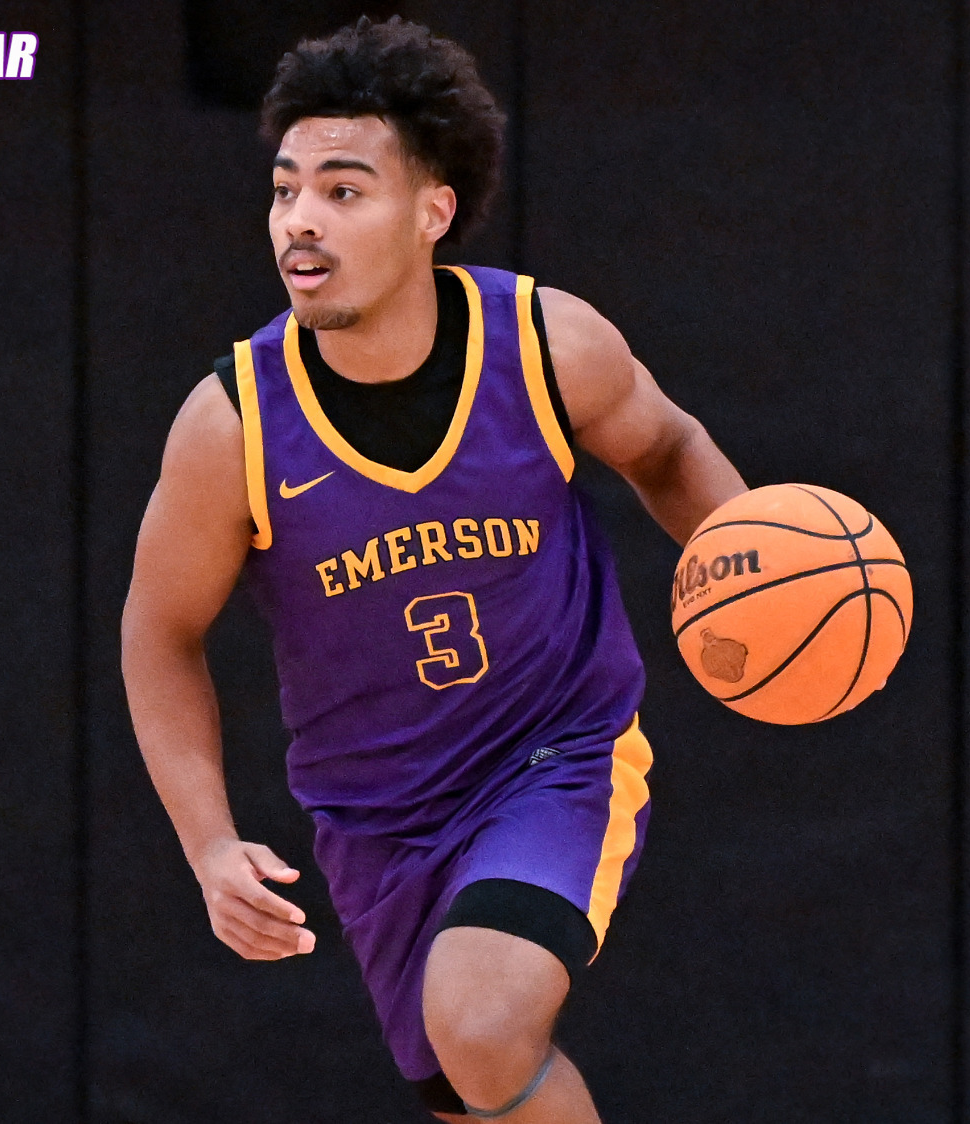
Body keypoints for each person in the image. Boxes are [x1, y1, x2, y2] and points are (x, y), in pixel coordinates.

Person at [120, 16, 745, 1121]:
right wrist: (208, 843)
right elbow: (159, 632)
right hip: (374, 819)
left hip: (553, 753)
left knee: (481, 1017)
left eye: (343, 190)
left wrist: (751, 556)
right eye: (284, 189)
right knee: (470, 1088)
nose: (300, 220)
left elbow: (665, 446)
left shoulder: (544, 343)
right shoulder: (233, 425)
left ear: (431, 210)